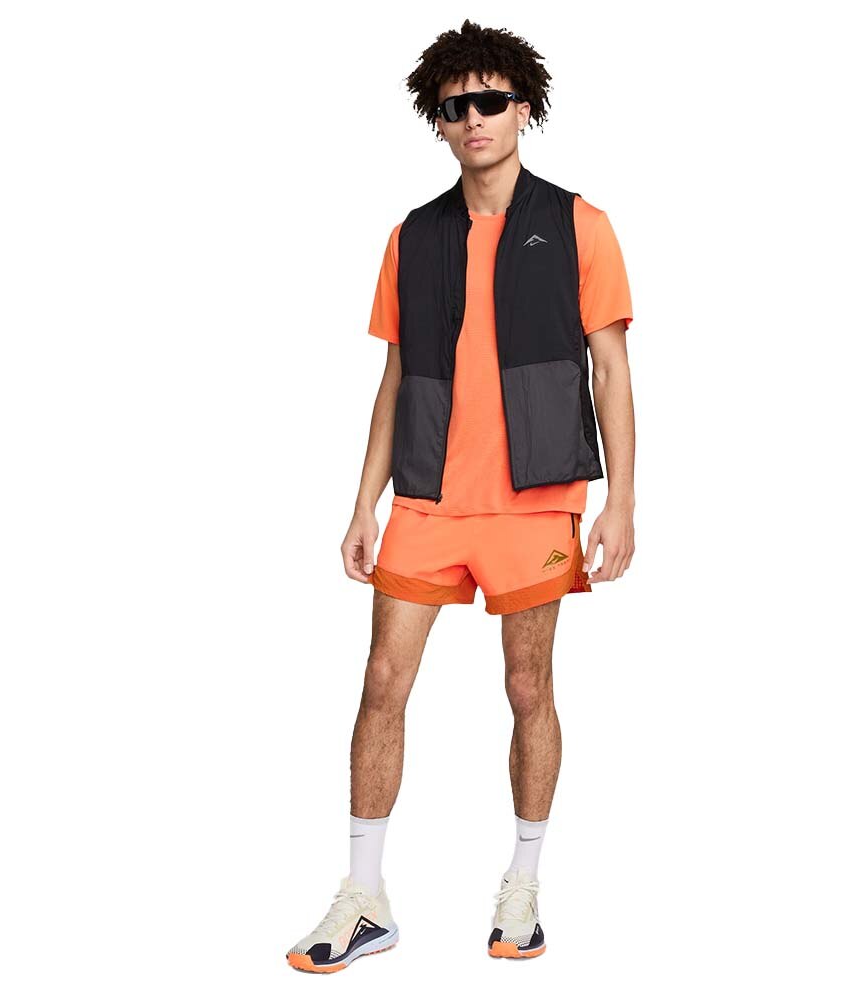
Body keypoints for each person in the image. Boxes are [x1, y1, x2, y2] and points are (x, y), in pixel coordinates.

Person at [287, 18, 635, 973]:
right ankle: (364, 895)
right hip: (428, 499)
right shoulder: (414, 236)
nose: (473, 118)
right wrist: (363, 503)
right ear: (437, 122)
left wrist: (621, 501)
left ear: (524, 110)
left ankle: (523, 883)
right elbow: (397, 377)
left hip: (538, 500)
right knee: (381, 684)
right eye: (455, 107)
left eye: (490, 100)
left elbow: (612, 368)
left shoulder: (580, 224)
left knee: (529, 688)